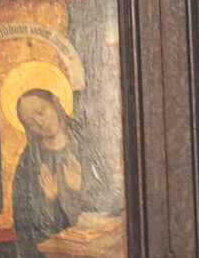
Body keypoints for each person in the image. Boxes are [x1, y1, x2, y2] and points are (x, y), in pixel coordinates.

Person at [13, 88, 120, 258]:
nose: (40, 123)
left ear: (55, 104)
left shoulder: (89, 141)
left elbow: (114, 196)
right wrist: (49, 199)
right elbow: (27, 225)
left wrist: (79, 189)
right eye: (30, 123)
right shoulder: (29, 164)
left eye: (41, 112)